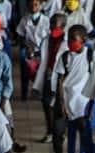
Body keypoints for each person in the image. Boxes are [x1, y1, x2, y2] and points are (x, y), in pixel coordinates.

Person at [51, 24, 94, 153]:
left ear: (83, 39)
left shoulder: (91, 56)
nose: (70, 42)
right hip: (65, 100)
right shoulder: (64, 57)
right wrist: (61, 102)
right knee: (57, 132)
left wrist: (93, 104)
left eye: (74, 39)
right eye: (68, 39)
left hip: (82, 103)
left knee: (86, 134)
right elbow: (60, 81)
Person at [32, 12, 66, 143]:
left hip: (61, 78)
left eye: (54, 23)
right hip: (48, 75)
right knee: (46, 105)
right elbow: (43, 58)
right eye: (51, 23)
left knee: (60, 107)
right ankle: (50, 132)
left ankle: (60, 133)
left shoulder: (67, 41)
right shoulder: (47, 39)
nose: (51, 26)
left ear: (63, 25)